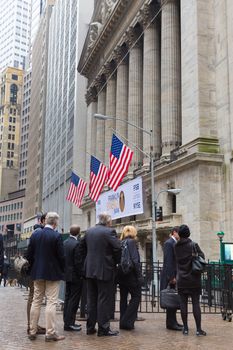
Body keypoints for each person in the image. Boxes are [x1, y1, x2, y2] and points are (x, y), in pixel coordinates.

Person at [26, 212, 65, 342]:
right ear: (55, 223)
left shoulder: (36, 235)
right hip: (53, 273)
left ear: (46, 221)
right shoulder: (56, 236)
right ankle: (50, 333)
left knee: (36, 301)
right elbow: (61, 257)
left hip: (37, 272)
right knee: (51, 302)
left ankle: (32, 330)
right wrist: (62, 269)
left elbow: (28, 254)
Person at [81, 213, 121, 336]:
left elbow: (81, 248)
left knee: (91, 299)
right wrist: (115, 262)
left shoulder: (89, 231)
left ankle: (90, 327)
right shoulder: (109, 232)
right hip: (104, 269)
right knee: (103, 299)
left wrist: (88, 261)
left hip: (90, 269)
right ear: (108, 222)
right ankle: (103, 328)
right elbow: (118, 248)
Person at [175, 224, 206, 336]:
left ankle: (186, 329)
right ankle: (198, 329)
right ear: (188, 233)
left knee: (183, 304)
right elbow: (202, 257)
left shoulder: (176, 246)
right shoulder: (193, 245)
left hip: (181, 279)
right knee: (195, 303)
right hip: (193, 279)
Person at [117, 225, 142, 330]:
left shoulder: (120, 242)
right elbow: (135, 260)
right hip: (130, 274)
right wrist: (139, 275)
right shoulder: (132, 242)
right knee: (136, 297)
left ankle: (124, 322)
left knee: (123, 298)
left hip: (121, 274)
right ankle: (126, 321)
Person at [26, 213, 47, 334]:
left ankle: (33, 324)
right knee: (34, 298)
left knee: (34, 298)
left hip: (34, 270)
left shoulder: (37, 232)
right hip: (35, 271)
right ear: (43, 221)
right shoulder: (39, 232)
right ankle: (31, 325)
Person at [160, 226, 183, 331]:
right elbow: (168, 262)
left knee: (173, 299)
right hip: (170, 276)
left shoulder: (174, 243)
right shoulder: (169, 243)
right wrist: (171, 277)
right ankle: (171, 323)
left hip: (173, 275)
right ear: (174, 233)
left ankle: (173, 321)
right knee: (170, 299)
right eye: (179, 233)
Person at [63, 225, 83, 332]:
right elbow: (78, 262)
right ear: (78, 233)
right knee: (73, 300)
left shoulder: (65, 242)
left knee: (67, 298)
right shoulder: (77, 244)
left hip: (67, 275)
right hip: (75, 276)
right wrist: (81, 274)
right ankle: (69, 323)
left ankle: (67, 320)